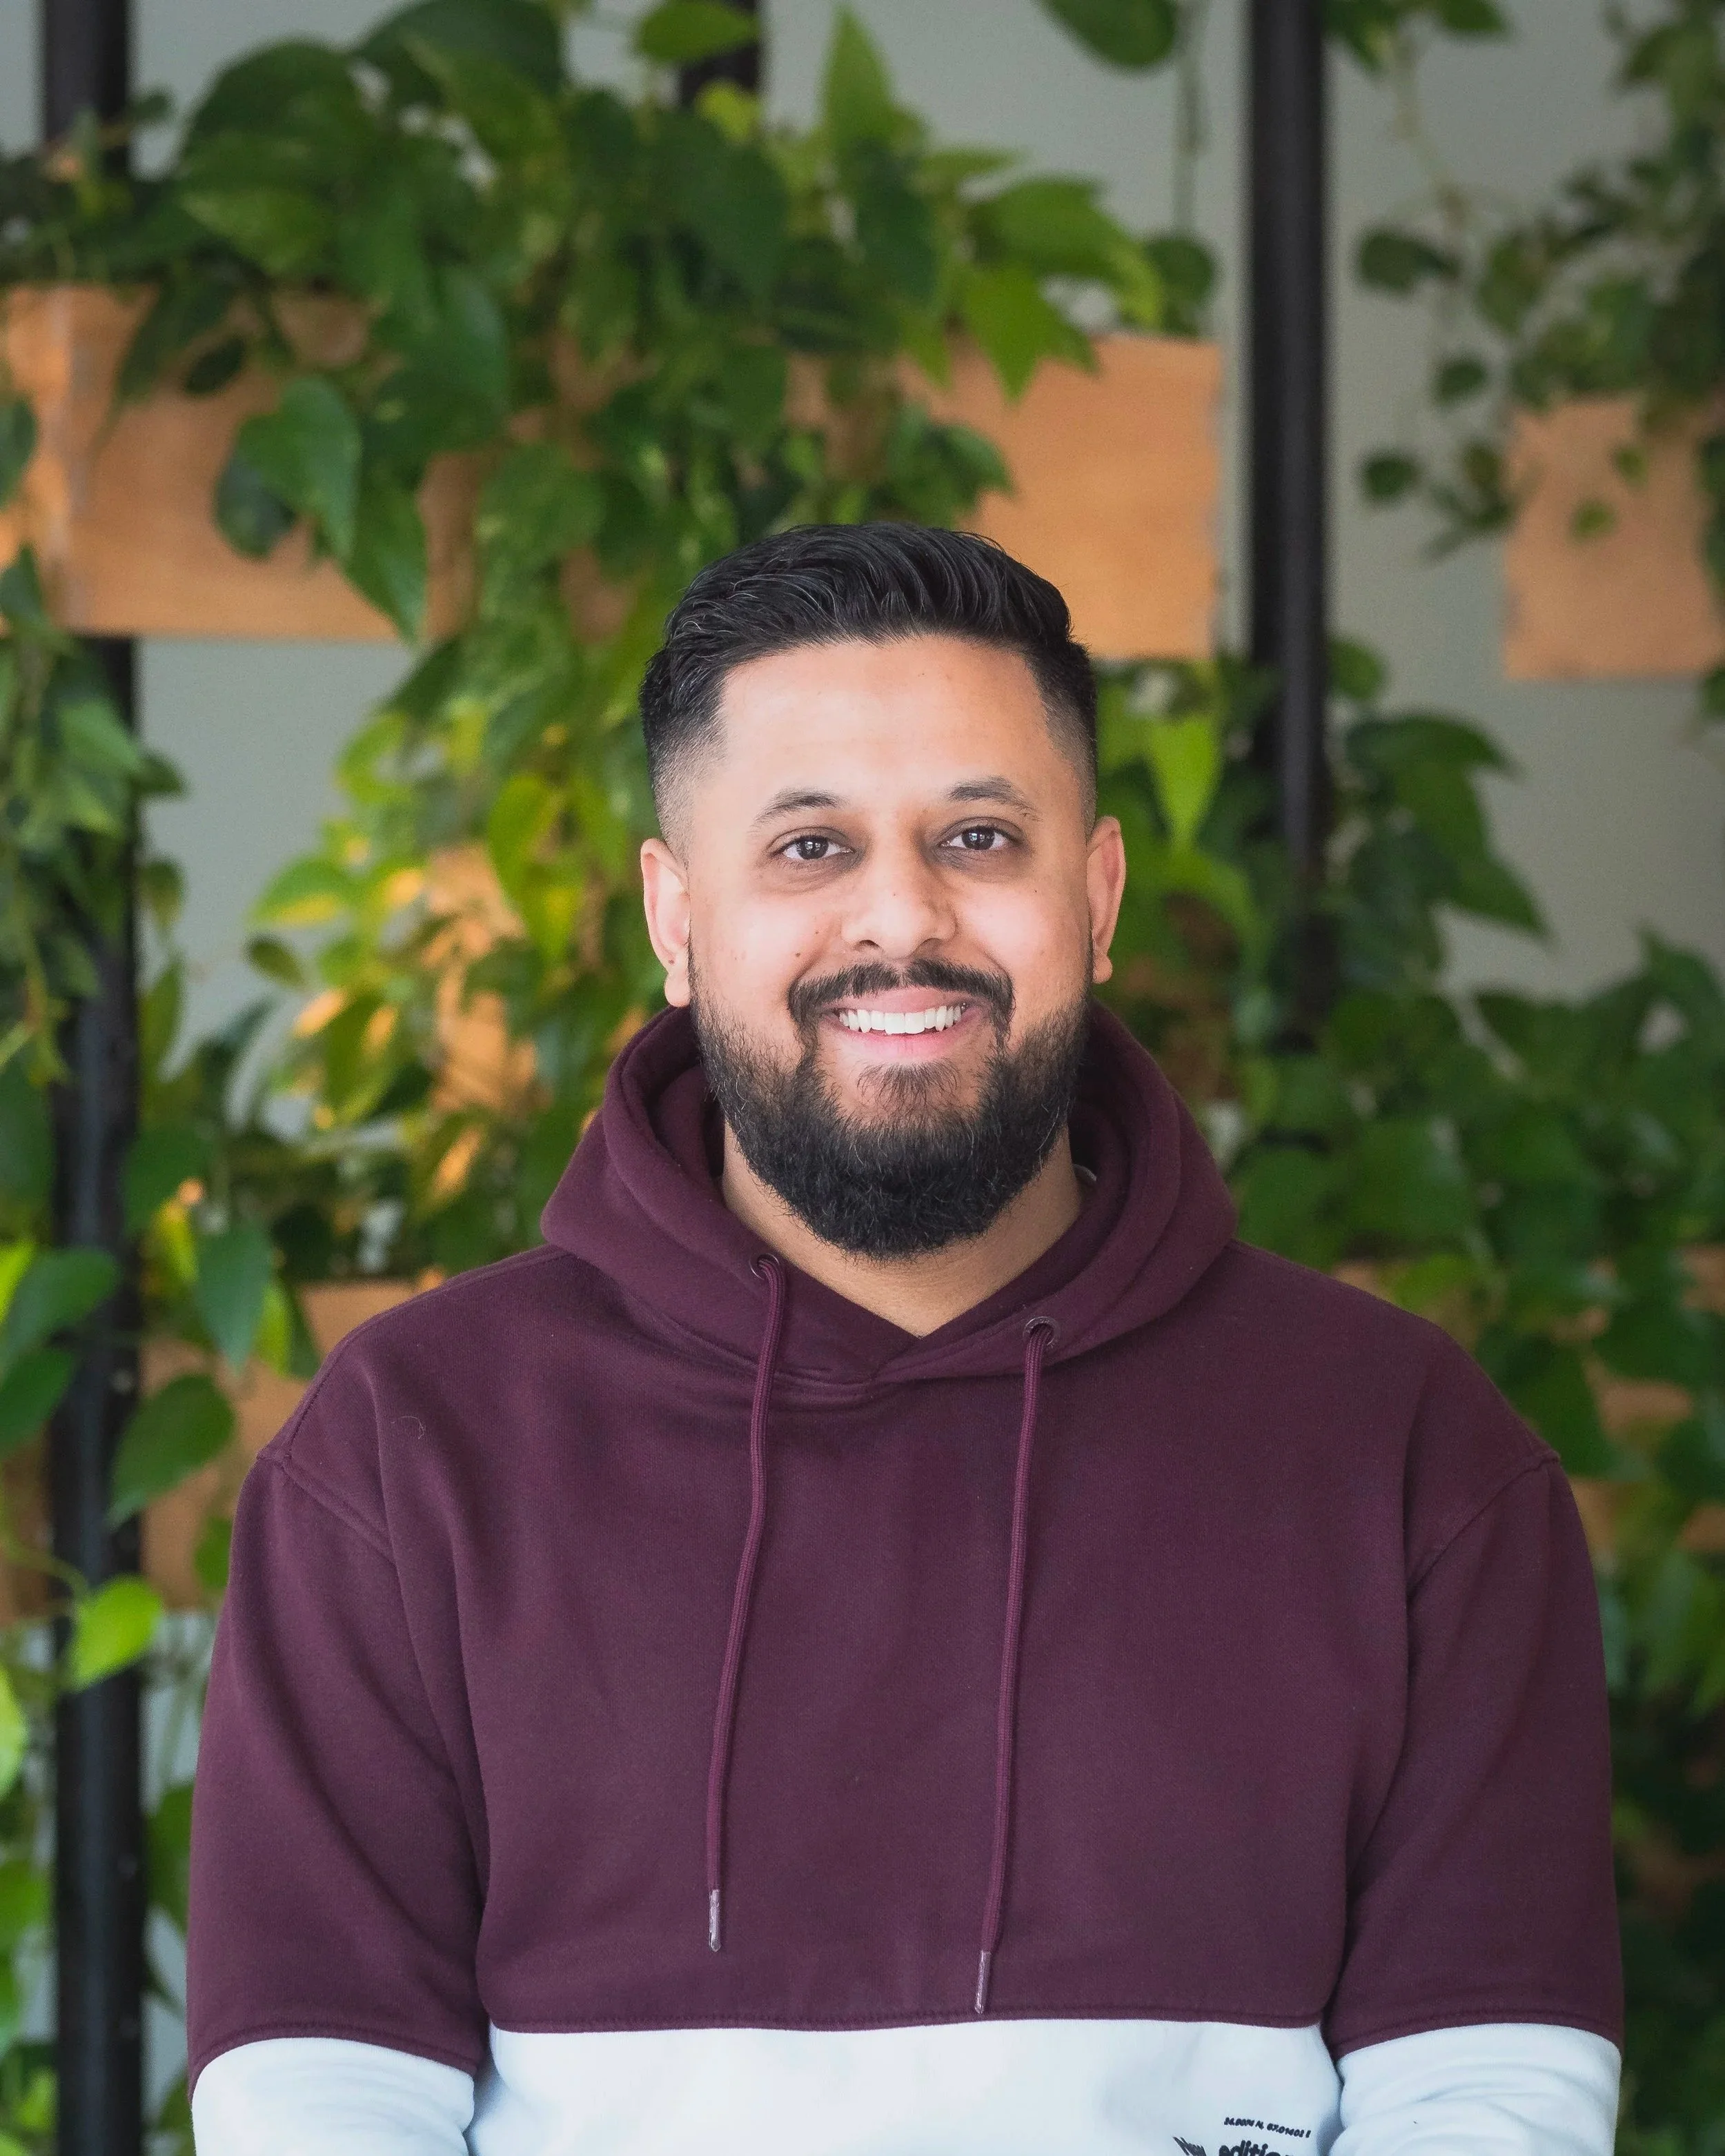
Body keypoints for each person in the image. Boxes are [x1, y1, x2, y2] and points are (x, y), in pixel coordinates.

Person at [187, 524, 1621, 2155]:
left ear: (1092, 895)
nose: (902, 918)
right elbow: (318, 2101)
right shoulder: (409, 1449)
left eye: (980, 835)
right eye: (806, 846)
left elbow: (1487, 2095)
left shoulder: (1405, 1450)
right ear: (674, 914)